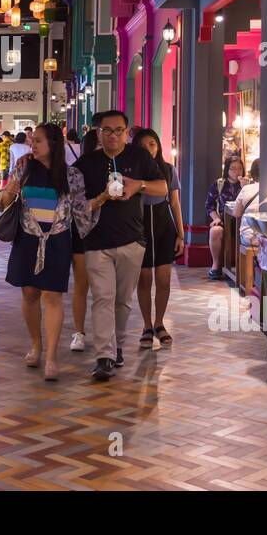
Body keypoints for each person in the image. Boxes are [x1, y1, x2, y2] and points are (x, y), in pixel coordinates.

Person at [75, 109, 167, 381]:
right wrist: (102, 198)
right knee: (102, 296)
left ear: (127, 133)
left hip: (131, 241)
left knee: (122, 300)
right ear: (98, 133)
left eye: (119, 130)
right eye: (107, 130)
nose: (113, 135)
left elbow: (162, 188)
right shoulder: (86, 163)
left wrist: (138, 185)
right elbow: (76, 204)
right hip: (96, 242)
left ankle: (117, 345)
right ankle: (104, 356)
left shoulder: (139, 158)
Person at [0, 123, 94, 381]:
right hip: (27, 238)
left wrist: (105, 198)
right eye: (32, 140)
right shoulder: (23, 167)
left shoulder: (71, 175)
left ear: (52, 144)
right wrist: (8, 193)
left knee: (52, 296)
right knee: (29, 293)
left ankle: (51, 356)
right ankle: (35, 345)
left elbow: (82, 209)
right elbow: (4, 202)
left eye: (38, 141)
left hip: (57, 240)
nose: (33, 145)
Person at [132, 128, 184, 348]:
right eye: (143, 146)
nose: (148, 149)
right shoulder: (132, 173)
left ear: (158, 146)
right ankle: (146, 326)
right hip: (139, 229)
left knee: (163, 280)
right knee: (144, 280)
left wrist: (181, 234)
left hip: (164, 228)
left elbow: (174, 203)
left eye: (152, 144)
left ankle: (160, 323)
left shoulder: (168, 170)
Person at [68, 124, 103, 351]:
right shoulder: (78, 169)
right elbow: (76, 204)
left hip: (107, 231)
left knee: (104, 288)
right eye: (100, 143)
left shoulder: (114, 167)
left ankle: (104, 333)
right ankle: (79, 332)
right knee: (82, 284)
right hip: (82, 230)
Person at [205, 157, 245, 282]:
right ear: (227, 169)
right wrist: (216, 218)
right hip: (224, 221)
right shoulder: (219, 184)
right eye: (233, 168)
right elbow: (209, 205)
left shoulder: (248, 185)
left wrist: (245, 187)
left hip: (243, 222)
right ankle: (216, 266)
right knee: (215, 231)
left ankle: (247, 269)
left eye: (239, 168)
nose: (237, 172)